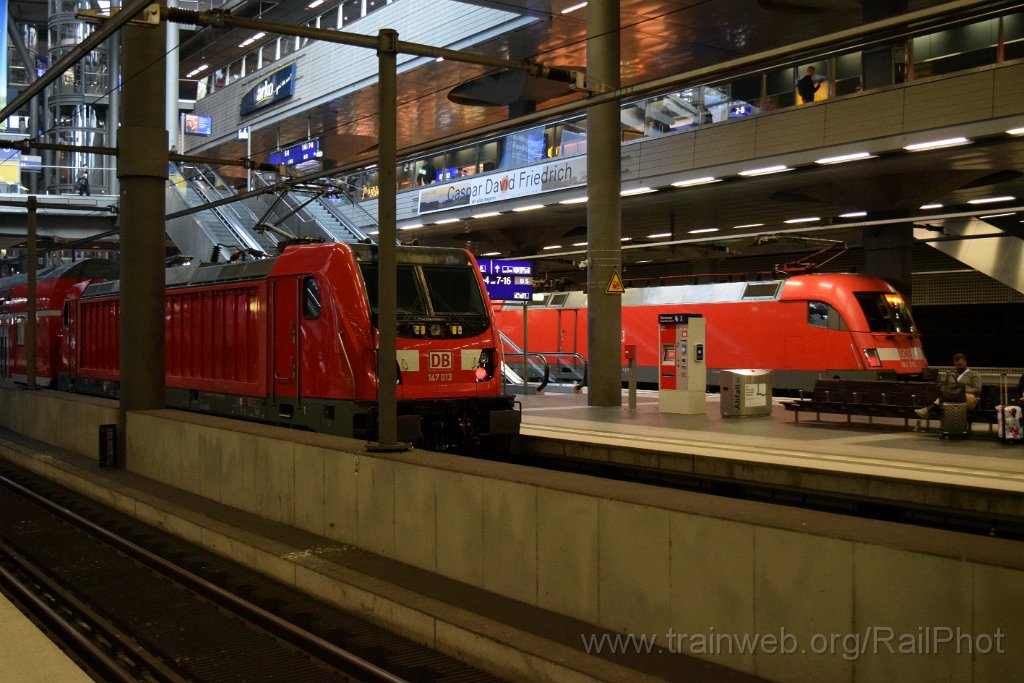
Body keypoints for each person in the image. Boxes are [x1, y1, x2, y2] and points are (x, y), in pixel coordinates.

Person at [915, 353, 982, 418]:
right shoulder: (952, 374)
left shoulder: (974, 374)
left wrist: (962, 391)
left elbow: (978, 389)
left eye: (960, 364)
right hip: (954, 398)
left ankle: (928, 410)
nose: (958, 367)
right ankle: (928, 411)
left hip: (969, 398)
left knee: (950, 397)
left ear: (965, 362)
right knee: (947, 396)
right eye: (956, 365)